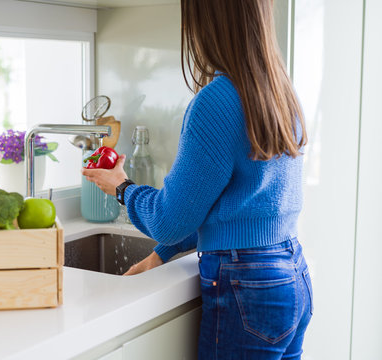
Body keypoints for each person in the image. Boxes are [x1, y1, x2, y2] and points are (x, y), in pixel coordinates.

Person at [82, 0, 313, 358]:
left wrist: (122, 188)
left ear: (207, 21)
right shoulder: (278, 89)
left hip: (246, 287)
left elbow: (169, 220)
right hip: (291, 275)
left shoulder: (215, 101)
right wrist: (161, 255)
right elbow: (227, 205)